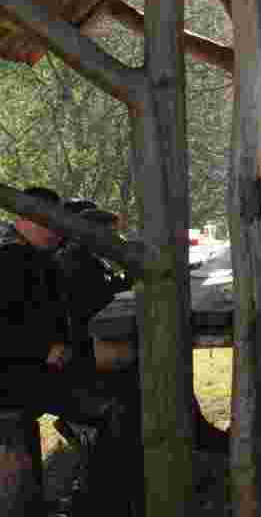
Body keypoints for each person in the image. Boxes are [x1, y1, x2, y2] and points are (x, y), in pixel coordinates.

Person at [0, 187, 143, 516]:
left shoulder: (35, 258)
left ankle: (107, 494)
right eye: (50, 222)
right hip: (14, 378)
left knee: (126, 388)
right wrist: (41, 347)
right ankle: (99, 503)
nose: (58, 230)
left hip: (36, 370)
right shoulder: (9, 259)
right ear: (25, 219)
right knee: (113, 406)